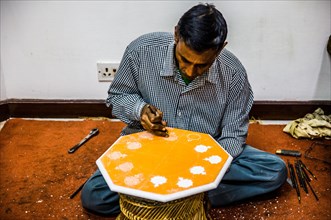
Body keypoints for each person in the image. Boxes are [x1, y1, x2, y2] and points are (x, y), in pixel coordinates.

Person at [81, 3, 287, 216]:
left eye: (202, 65)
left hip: (202, 157)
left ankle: (171, 198)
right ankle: (189, 199)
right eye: (184, 60)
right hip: (150, 148)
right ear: (177, 34)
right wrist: (140, 111)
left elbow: (233, 137)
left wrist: (203, 174)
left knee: (274, 172)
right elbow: (118, 97)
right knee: (95, 195)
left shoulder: (233, 74)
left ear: (221, 48)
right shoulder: (141, 52)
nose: (191, 71)